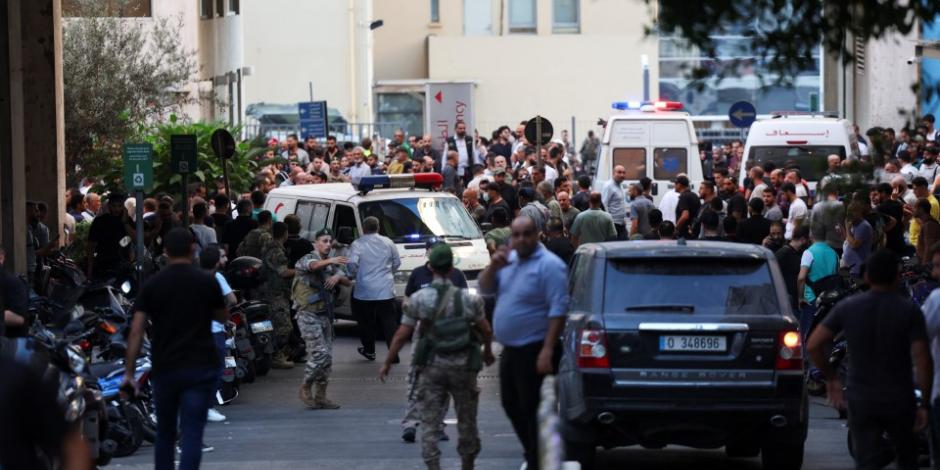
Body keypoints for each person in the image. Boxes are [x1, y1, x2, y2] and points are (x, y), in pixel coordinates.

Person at [808, 250, 932, 470]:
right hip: (900, 397)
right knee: (906, 459)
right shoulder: (909, 310)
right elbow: (922, 360)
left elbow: (814, 344)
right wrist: (923, 403)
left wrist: (831, 378)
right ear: (897, 276)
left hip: (862, 397)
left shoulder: (849, 307)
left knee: (867, 461)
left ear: (867, 277)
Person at [380, 243, 494, 470]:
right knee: (467, 422)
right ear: (452, 267)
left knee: (430, 425)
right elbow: (486, 329)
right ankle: (467, 465)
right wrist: (488, 352)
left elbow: (403, 333)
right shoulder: (468, 300)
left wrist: (387, 362)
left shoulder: (421, 299)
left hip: (433, 368)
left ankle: (434, 466)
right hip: (463, 368)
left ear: (431, 268)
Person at [122, 228, 227, 470]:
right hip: (200, 366)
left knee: (166, 434)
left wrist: (129, 374)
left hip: (166, 367)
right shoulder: (207, 282)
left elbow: (136, 331)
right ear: (193, 249)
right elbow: (222, 317)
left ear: (165, 251)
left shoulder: (152, 285)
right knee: (191, 433)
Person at [479, 216, 569, 470]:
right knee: (510, 403)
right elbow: (485, 289)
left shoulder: (550, 265)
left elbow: (558, 309)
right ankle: (533, 452)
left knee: (532, 408)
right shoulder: (509, 261)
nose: (520, 239)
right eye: (515, 235)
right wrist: (492, 267)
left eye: (526, 234)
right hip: (512, 349)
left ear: (537, 234)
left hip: (536, 346)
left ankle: (537, 458)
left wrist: (548, 349)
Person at [398, 239, 469, 442]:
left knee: (443, 384)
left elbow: (465, 301)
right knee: (415, 379)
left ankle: (437, 425)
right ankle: (410, 424)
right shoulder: (418, 274)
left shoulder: (455, 274)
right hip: (423, 335)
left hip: (448, 338)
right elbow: (407, 299)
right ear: (427, 252)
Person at [293, 228, 350, 409]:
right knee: (320, 354)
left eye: (329, 242)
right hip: (308, 314)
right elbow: (313, 266)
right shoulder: (308, 258)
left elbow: (347, 280)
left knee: (327, 359)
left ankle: (321, 397)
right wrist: (332, 261)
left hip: (324, 315)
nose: (327, 245)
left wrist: (337, 276)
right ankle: (305, 386)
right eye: (324, 241)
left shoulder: (330, 265)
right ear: (315, 243)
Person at [348, 216, 401, 362]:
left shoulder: (357, 244)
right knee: (389, 323)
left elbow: (352, 263)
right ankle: (394, 355)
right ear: (379, 228)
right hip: (386, 290)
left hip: (364, 291)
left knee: (366, 322)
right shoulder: (388, 242)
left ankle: (370, 350)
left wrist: (353, 274)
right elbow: (397, 262)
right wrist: (388, 274)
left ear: (364, 229)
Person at [199, 245, 236, 424]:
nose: (225, 260)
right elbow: (232, 299)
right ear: (215, 262)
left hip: (195, 331)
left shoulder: (193, 277)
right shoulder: (216, 277)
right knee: (216, 368)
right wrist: (223, 316)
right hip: (214, 331)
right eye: (222, 257)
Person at [260, 222, 296, 369]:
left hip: (272, 291)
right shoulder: (276, 251)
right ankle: (277, 356)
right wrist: (300, 270)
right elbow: (283, 272)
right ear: (285, 233)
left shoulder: (269, 246)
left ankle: (275, 353)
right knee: (284, 326)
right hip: (275, 293)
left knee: (275, 324)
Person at [796, 226, 839, 337]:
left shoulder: (809, 252)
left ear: (811, 236)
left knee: (807, 336)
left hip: (811, 300)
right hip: (829, 301)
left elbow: (801, 278)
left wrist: (801, 298)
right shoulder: (834, 253)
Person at [86, 193, 134, 280]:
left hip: (123, 265)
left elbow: (135, 240)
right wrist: (89, 272)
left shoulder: (127, 221)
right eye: (114, 206)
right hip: (104, 265)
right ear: (109, 206)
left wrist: (125, 223)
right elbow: (91, 246)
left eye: (119, 206)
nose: (116, 209)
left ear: (123, 207)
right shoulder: (100, 221)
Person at [775, 226, 810, 311]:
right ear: (803, 239)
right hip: (787, 299)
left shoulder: (800, 252)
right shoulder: (783, 254)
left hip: (793, 299)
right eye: (808, 240)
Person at [842, 201, 874, 278]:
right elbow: (849, 241)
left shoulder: (863, 226)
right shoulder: (854, 224)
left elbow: (854, 245)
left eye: (853, 211)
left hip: (858, 269)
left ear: (859, 212)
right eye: (848, 212)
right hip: (851, 268)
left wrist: (847, 228)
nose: (850, 214)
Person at [601, 165, 628, 240]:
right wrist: (609, 221)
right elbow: (604, 204)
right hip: (613, 223)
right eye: (619, 172)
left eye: (623, 173)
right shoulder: (608, 186)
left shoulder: (620, 185)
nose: (622, 175)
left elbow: (620, 204)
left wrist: (623, 219)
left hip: (621, 223)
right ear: (613, 173)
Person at [674, 176, 701, 240]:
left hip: (685, 235)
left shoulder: (684, 196)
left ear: (679, 185)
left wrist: (676, 229)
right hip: (694, 232)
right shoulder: (694, 195)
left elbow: (685, 216)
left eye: (675, 183)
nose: (674, 185)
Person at [916, 198, 940, 264]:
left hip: (928, 265)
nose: (914, 209)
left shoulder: (929, 225)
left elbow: (928, 247)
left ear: (921, 209)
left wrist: (924, 265)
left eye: (915, 207)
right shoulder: (926, 223)